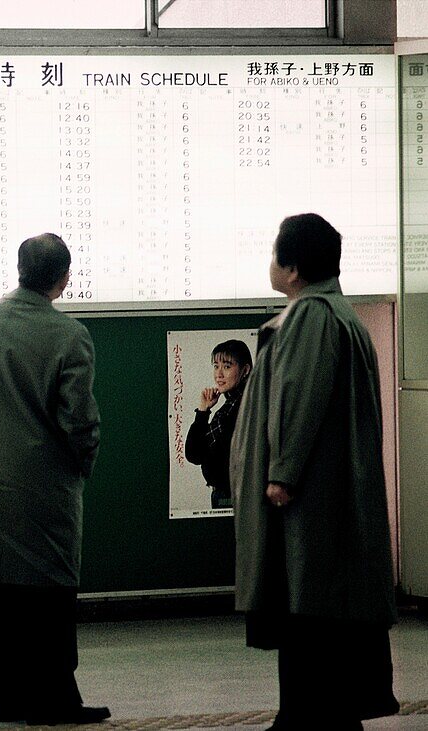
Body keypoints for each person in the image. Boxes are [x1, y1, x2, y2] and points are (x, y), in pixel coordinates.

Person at [230, 214, 398, 730]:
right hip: (330, 491)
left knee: (305, 601)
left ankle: (306, 716)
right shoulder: (340, 315)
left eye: (275, 253)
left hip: (308, 498)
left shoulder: (311, 317)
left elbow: (297, 397)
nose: (271, 264)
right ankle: (318, 714)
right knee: (321, 603)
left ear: (294, 267)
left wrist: (282, 471)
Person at [0, 233, 108, 726]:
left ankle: (5, 700)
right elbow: (79, 418)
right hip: (44, 490)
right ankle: (57, 699)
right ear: (63, 279)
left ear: (18, 269)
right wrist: (85, 462)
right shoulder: (69, 335)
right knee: (50, 595)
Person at [185, 340, 253, 510]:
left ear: (245, 370)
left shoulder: (248, 405)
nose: (219, 374)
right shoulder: (228, 407)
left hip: (238, 496)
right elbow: (194, 454)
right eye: (216, 366)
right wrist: (203, 411)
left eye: (227, 366)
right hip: (223, 494)